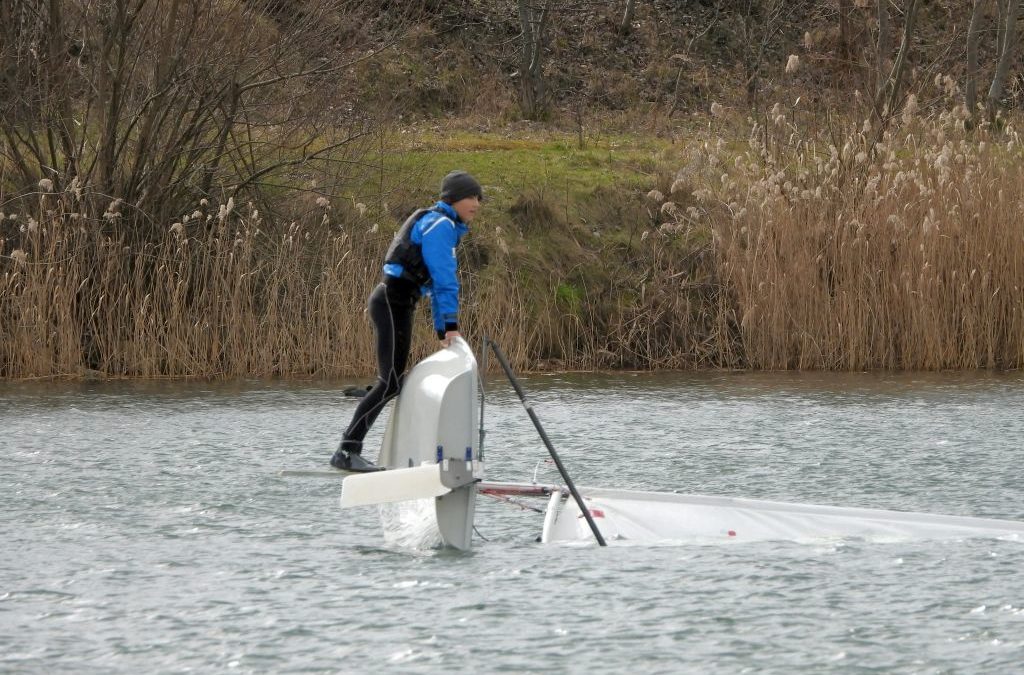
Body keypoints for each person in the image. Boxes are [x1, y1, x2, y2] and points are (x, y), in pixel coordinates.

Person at [330, 170, 483, 471]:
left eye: (479, 198)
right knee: (389, 384)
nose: (477, 204)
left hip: (398, 302)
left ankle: (370, 395)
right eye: (472, 198)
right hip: (392, 301)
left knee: (392, 383)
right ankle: (346, 451)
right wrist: (450, 327)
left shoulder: (444, 224)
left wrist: (444, 329)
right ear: (453, 198)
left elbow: (440, 289)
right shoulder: (440, 226)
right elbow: (445, 283)